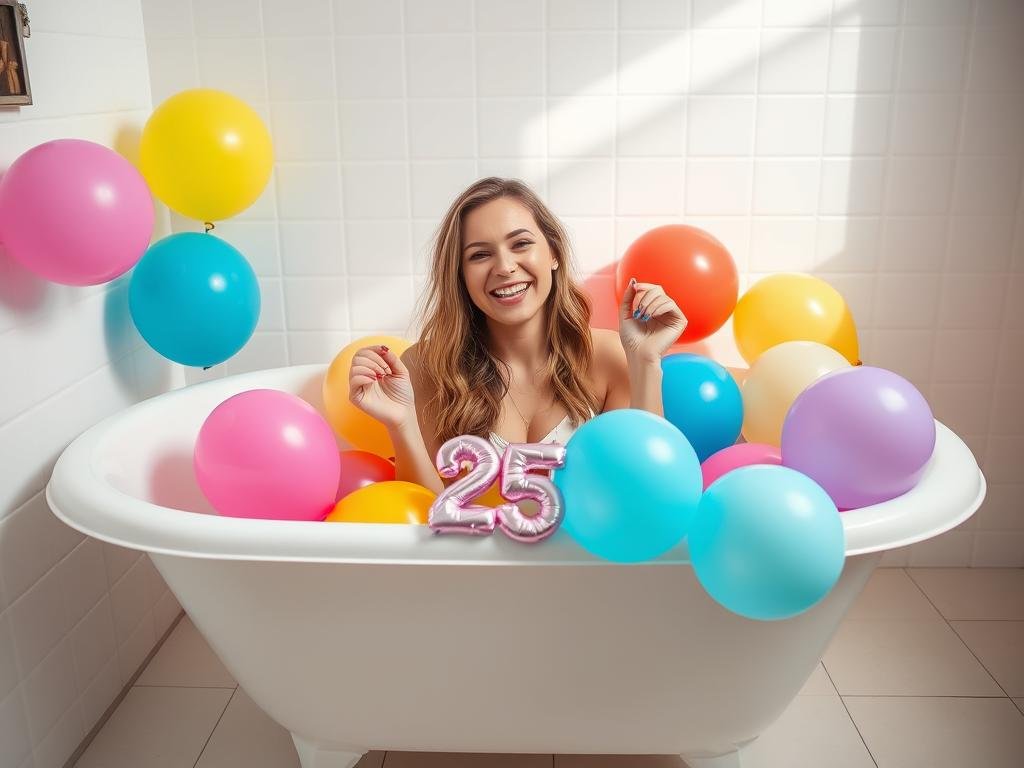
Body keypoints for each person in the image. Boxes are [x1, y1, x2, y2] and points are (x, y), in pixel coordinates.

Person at [348, 177, 686, 494]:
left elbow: (644, 492)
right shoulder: (427, 366)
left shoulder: (610, 356)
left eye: (521, 244)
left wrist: (645, 363)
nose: (505, 267)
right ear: (460, 274)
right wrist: (401, 423)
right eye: (480, 255)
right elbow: (427, 517)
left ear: (553, 253)